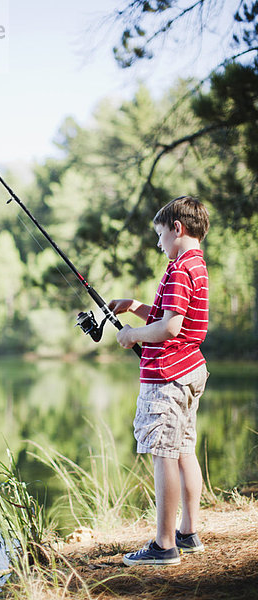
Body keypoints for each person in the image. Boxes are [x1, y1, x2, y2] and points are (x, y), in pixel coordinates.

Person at [109, 195, 210, 566]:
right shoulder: (195, 265)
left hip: (167, 376)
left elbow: (170, 327)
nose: (158, 243)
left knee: (164, 454)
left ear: (177, 229)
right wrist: (135, 306)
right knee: (184, 451)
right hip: (188, 370)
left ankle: (164, 545)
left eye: (160, 235)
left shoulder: (181, 268)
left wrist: (133, 334)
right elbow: (171, 315)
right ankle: (187, 533)